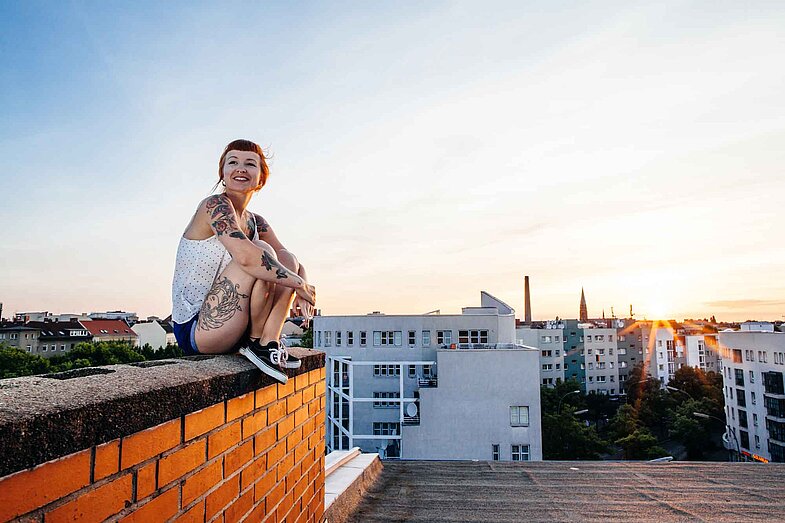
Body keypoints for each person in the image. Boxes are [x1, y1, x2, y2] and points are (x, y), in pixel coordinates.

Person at [171, 139, 316, 383]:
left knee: (285, 258)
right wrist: (300, 286)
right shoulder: (214, 206)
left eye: (250, 164)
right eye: (233, 162)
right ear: (223, 174)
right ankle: (257, 343)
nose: (240, 168)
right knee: (260, 251)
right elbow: (248, 258)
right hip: (198, 330)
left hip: (236, 325)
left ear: (260, 178)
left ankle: (267, 343)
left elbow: (290, 261)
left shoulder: (255, 221)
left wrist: (303, 283)